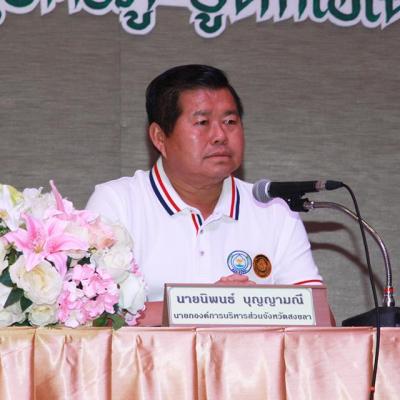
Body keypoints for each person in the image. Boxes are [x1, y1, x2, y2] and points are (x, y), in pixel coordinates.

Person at [86, 64, 323, 303]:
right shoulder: (117, 203)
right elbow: (92, 313)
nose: (220, 135)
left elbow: (319, 315)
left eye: (230, 121)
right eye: (202, 122)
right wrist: (208, 304)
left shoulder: (275, 209)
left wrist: (246, 305)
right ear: (159, 137)